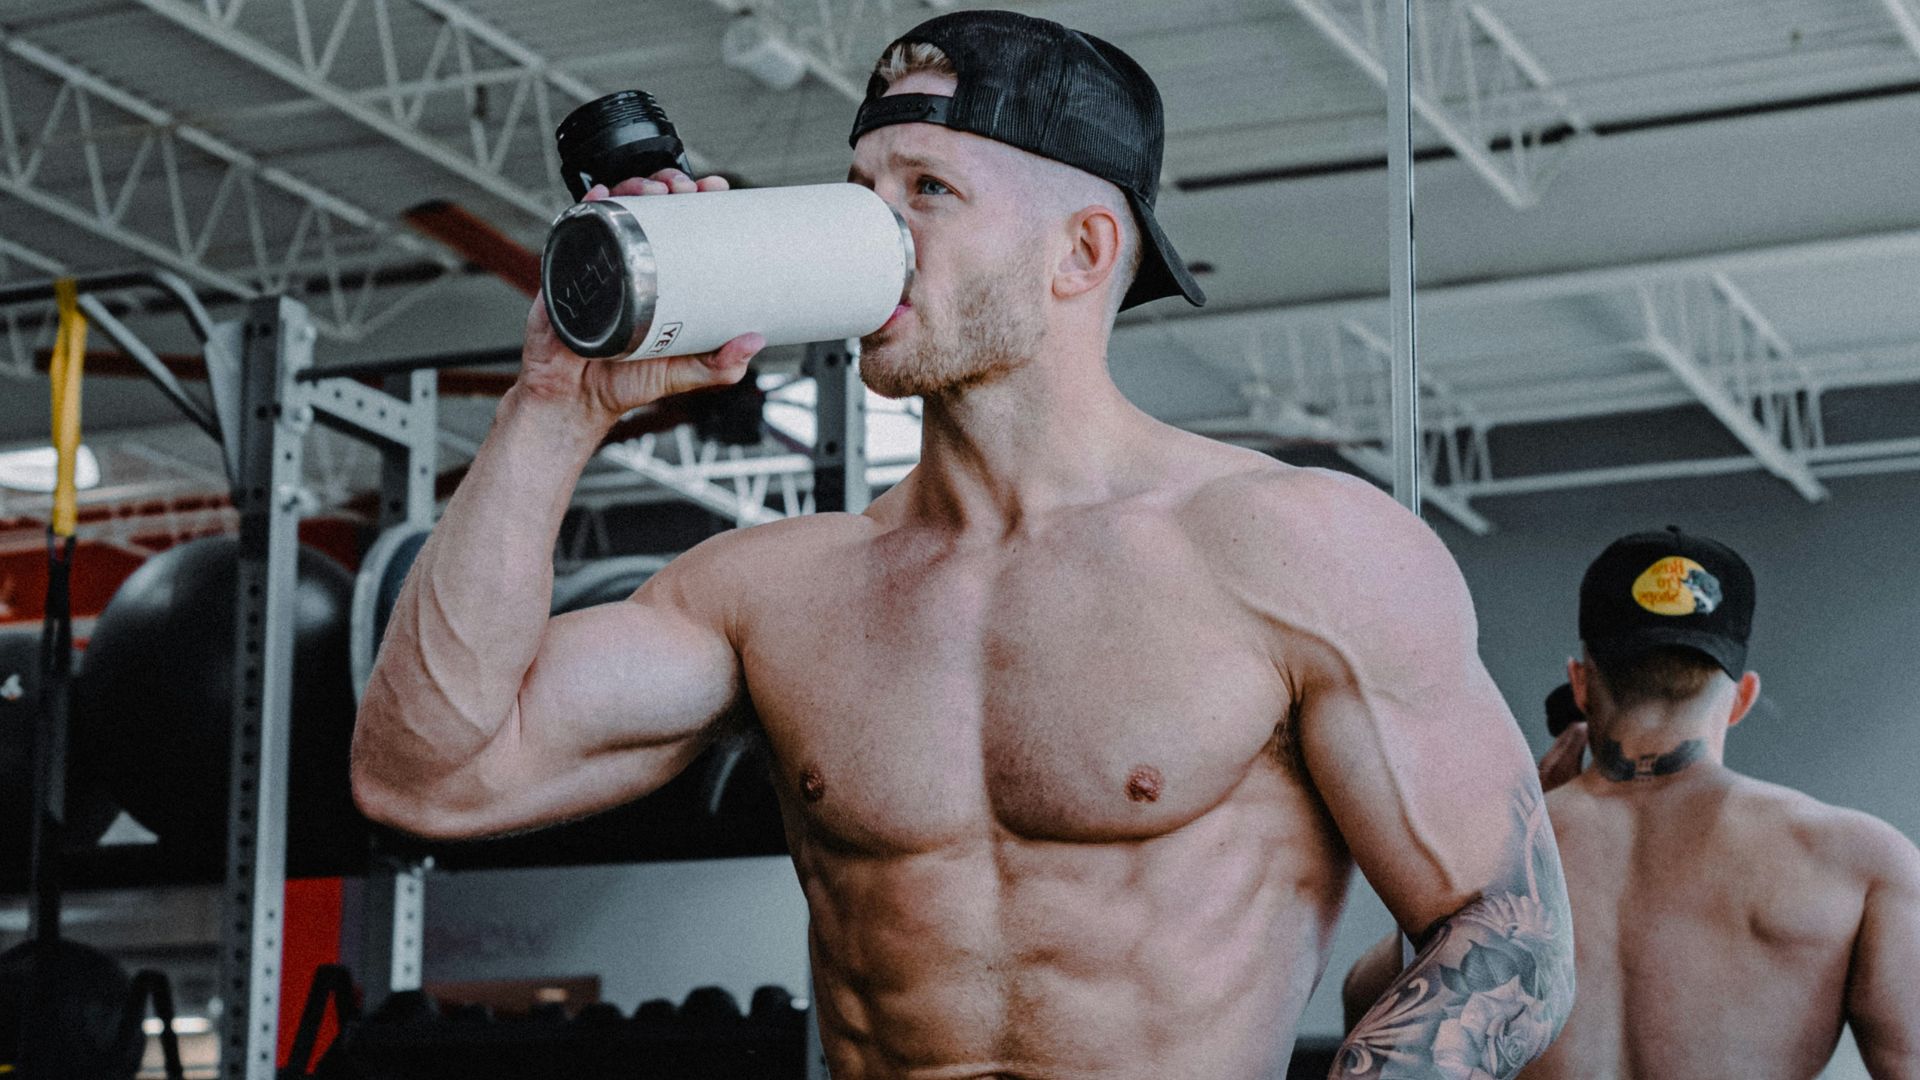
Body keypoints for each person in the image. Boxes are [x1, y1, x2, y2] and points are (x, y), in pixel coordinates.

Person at [352, 10, 1573, 1077]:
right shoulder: (775, 592)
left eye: (928, 192)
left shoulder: (1292, 549)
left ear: (1083, 250)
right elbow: (426, 775)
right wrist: (556, 406)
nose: (877, 233)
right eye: (863, 191)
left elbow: (1501, 931)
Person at [1343, 527, 1920, 1079]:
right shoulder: (1862, 862)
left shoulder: (1497, 852)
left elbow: (1369, 1012)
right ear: (1743, 696)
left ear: (1580, 684)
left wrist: (1528, 830)